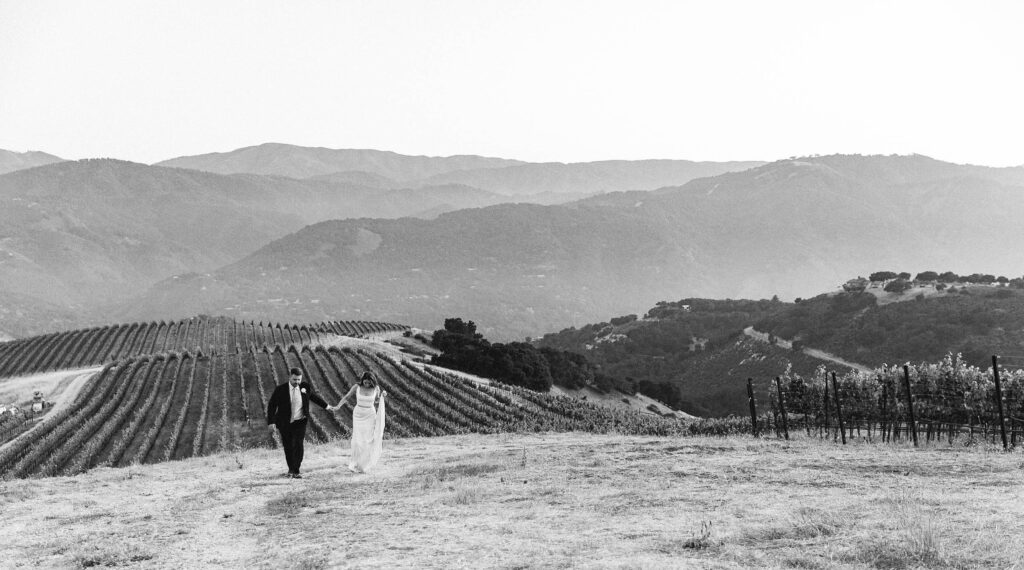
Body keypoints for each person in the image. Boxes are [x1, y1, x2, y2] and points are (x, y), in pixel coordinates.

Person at [266, 367, 329, 479]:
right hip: (285, 422)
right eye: (295, 379)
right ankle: (290, 468)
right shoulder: (280, 389)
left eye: (299, 380)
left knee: (298, 445)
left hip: (300, 421)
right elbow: (272, 406)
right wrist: (271, 422)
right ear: (290, 377)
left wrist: (327, 406)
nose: (297, 382)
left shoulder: (305, 387)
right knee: (288, 446)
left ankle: (296, 470)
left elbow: (314, 397)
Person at [329, 371, 387, 472]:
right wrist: (338, 406)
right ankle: (356, 462)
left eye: (369, 383)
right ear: (363, 380)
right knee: (358, 439)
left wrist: (382, 396)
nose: (367, 384)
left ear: (372, 382)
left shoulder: (376, 388)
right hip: (358, 414)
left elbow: (376, 401)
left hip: (370, 414)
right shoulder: (357, 386)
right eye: (365, 382)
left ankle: (364, 464)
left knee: (368, 439)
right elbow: (347, 396)